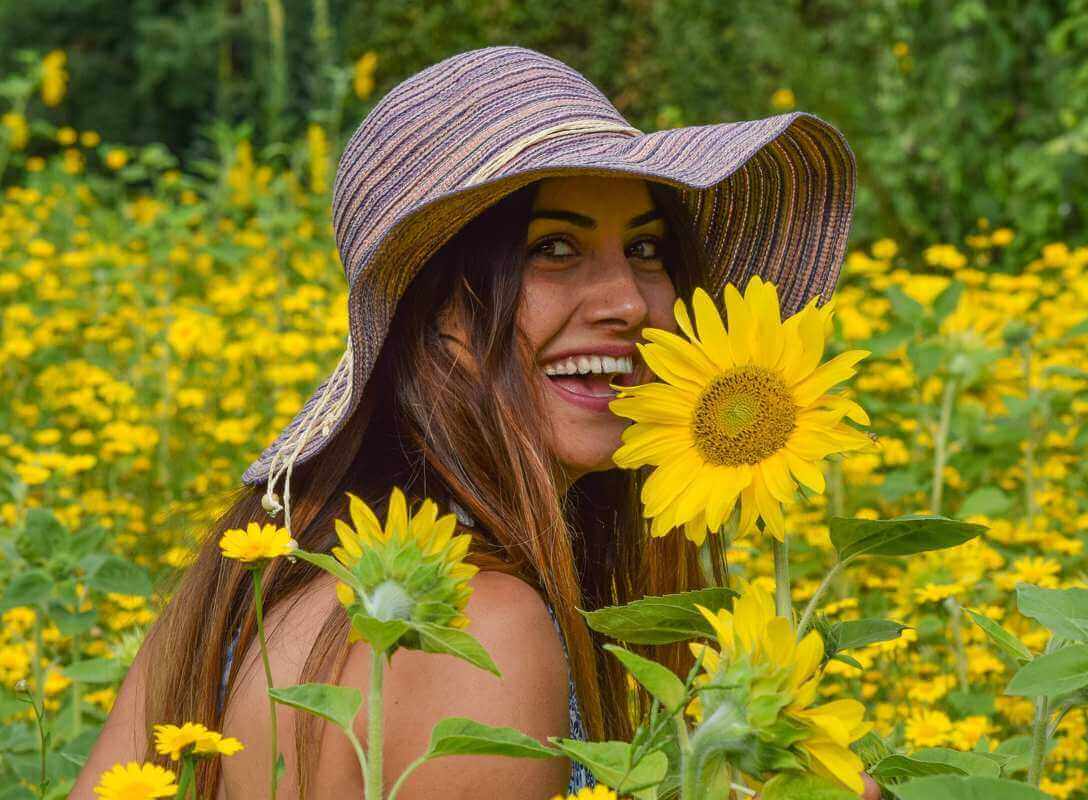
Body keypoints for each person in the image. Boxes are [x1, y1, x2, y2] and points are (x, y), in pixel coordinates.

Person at [73, 46, 880, 799]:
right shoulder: (474, 622)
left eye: (647, 249)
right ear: (431, 309)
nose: (630, 303)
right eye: (553, 249)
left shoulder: (252, 577)